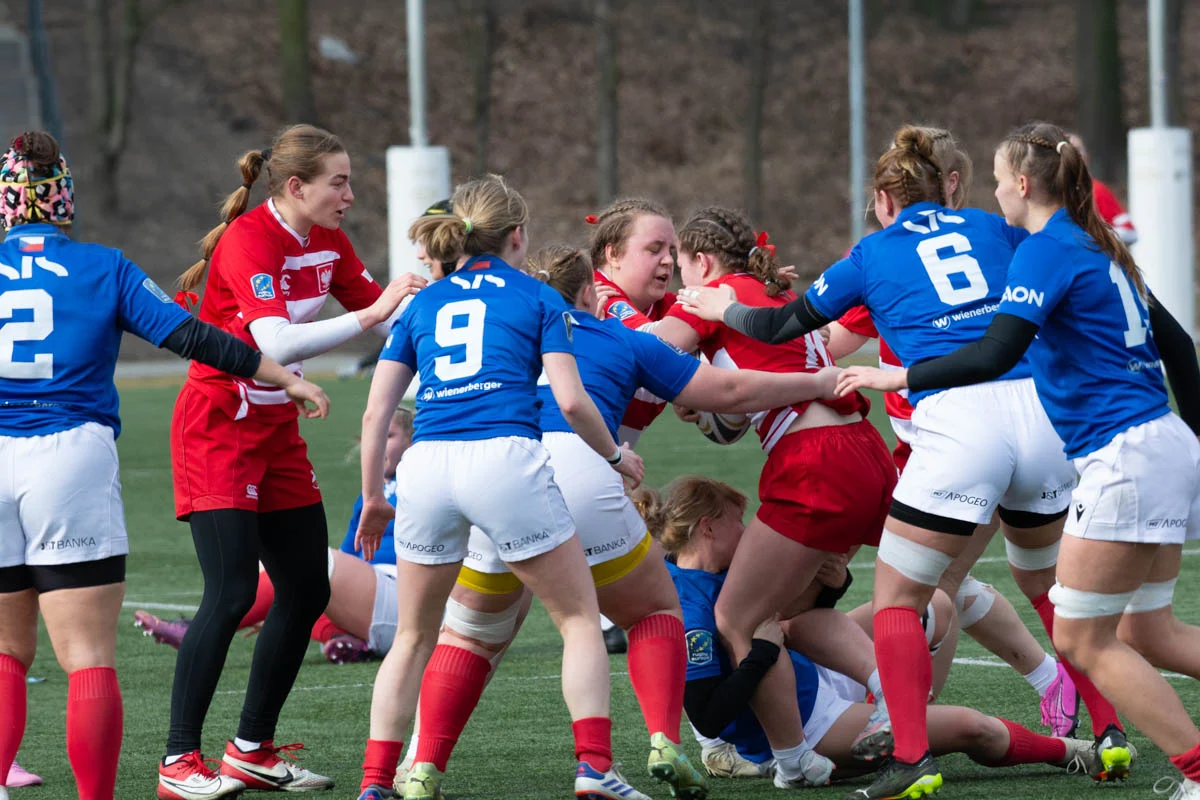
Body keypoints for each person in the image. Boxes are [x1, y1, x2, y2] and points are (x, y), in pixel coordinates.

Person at [679, 127, 1135, 799]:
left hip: (957, 426)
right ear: (947, 183)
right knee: (1048, 590)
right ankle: (1110, 729)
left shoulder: (875, 251)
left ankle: (910, 752)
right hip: (1040, 418)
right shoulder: (994, 227)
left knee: (899, 598)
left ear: (886, 198)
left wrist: (726, 307)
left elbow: (783, 329)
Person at [399, 245, 845, 799]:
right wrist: (818, 383)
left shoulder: (503, 330)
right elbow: (729, 392)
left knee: (466, 638)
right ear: (591, 291)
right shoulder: (617, 335)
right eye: (654, 247)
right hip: (581, 468)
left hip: (489, 475)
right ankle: (653, 744)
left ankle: (420, 766)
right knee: (653, 611)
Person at [837, 120, 1200, 800]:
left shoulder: (1041, 250)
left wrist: (901, 378)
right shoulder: (1100, 244)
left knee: (1085, 640)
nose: (992, 194)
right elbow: (1180, 347)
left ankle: (1194, 775)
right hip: (1165, 444)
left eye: (1000, 182)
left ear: (1025, 185)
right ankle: (1132, 742)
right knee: (1151, 630)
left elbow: (995, 354)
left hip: (1120, 458)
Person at [0, 131, 330, 800]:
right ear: (65, 198)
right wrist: (282, 376)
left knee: (6, 651)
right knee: (87, 657)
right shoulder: (103, 266)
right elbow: (194, 338)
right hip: (69, 459)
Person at [352, 175, 651, 800]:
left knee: (412, 637)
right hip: (503, 459)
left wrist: (375, 497)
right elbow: (571, 401)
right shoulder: (540, 298)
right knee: (576, 620)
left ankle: (377, 783)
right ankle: (595, 768)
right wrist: (616, 455)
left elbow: (376, 414)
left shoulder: (425, 302)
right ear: (518, 235)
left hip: (427, 464)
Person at [160, 124, 425, 799]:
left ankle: (250, 749)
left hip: (277, 427)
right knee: (231, 595)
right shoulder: (251, 238)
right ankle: (178, 763)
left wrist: (459, 301)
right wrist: (373, 316)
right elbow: (275, 339)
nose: (350, 195)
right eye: (339, 182)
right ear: (296, 187)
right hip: (217, 426)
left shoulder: (329, 241)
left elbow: (391, 319)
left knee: (308, 588)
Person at [830, 127, 1079, 739]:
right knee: (953, 583)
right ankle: (1048, 684)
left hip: (962, 438)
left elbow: (823, 345)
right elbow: (836, 339)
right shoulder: (981, 239)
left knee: (931, 587)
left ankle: (917, 722)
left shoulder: (903, 252)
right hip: (976, 433)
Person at [650, 206, 897, 787]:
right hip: (864, 446)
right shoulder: (768, 288)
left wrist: (602, 323)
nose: (680, 280)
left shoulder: (712, 294)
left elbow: (652, 352)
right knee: (796, 611)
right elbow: (751, 379)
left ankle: (791, 760)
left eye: (681, 267)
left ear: (702, 262)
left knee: (737, 615)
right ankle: (887, 687)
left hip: (813, 461)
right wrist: (702, 397)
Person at [648, 476, 1099, 790]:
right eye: (736, 521)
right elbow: (708, 715)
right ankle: (1067, 750)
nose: (747, 532)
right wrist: (763, 654)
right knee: (975, 728)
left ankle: (894, 707)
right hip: (805, 727)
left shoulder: (723, 571)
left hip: (813, 679)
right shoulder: (687, 609)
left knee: (937, 604)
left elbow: (801, 620)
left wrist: (833, 581)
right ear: (707, 527)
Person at [134, 407, 417, 663]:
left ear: (413, 440)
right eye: (372, 436)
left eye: (388, 435)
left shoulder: (419, 482)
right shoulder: (369, 495)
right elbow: (348, 555)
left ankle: (196, 631)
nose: (376, 444)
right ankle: (343, 639)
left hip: (406, 603)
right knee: (280, 572)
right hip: (370, 601)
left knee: (310, 563)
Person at [1066, 133, 1137, 245]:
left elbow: (1130, 232)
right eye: (1067, 150)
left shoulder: (1096, 190)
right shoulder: (1048, 193)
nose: (1073, 155)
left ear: (1086, 157)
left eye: (1077, 150)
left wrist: (1093, 236)